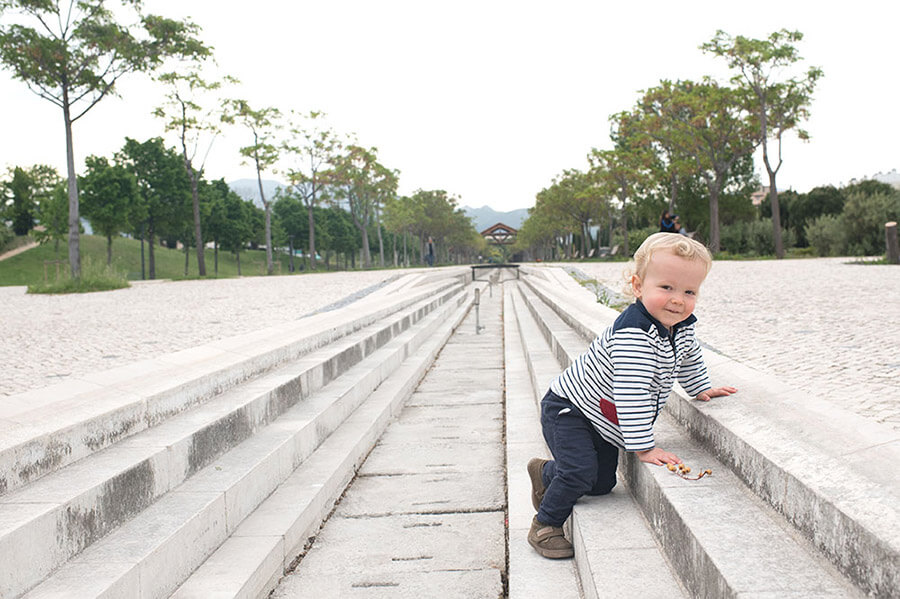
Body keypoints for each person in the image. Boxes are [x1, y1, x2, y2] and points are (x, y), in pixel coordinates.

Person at [526, 232, 737, 559]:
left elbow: (689, 355)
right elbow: (631, 390)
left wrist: (699, 387)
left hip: (602, 417)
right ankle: (545, 524)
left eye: (689, 291)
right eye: (666, 288)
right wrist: (644, 446)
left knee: (600, 484)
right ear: (638, 287)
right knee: (580, 472)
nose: (678, 299)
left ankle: (546, 473)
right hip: (570, 410)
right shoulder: (633, 335)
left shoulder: (680, 324)